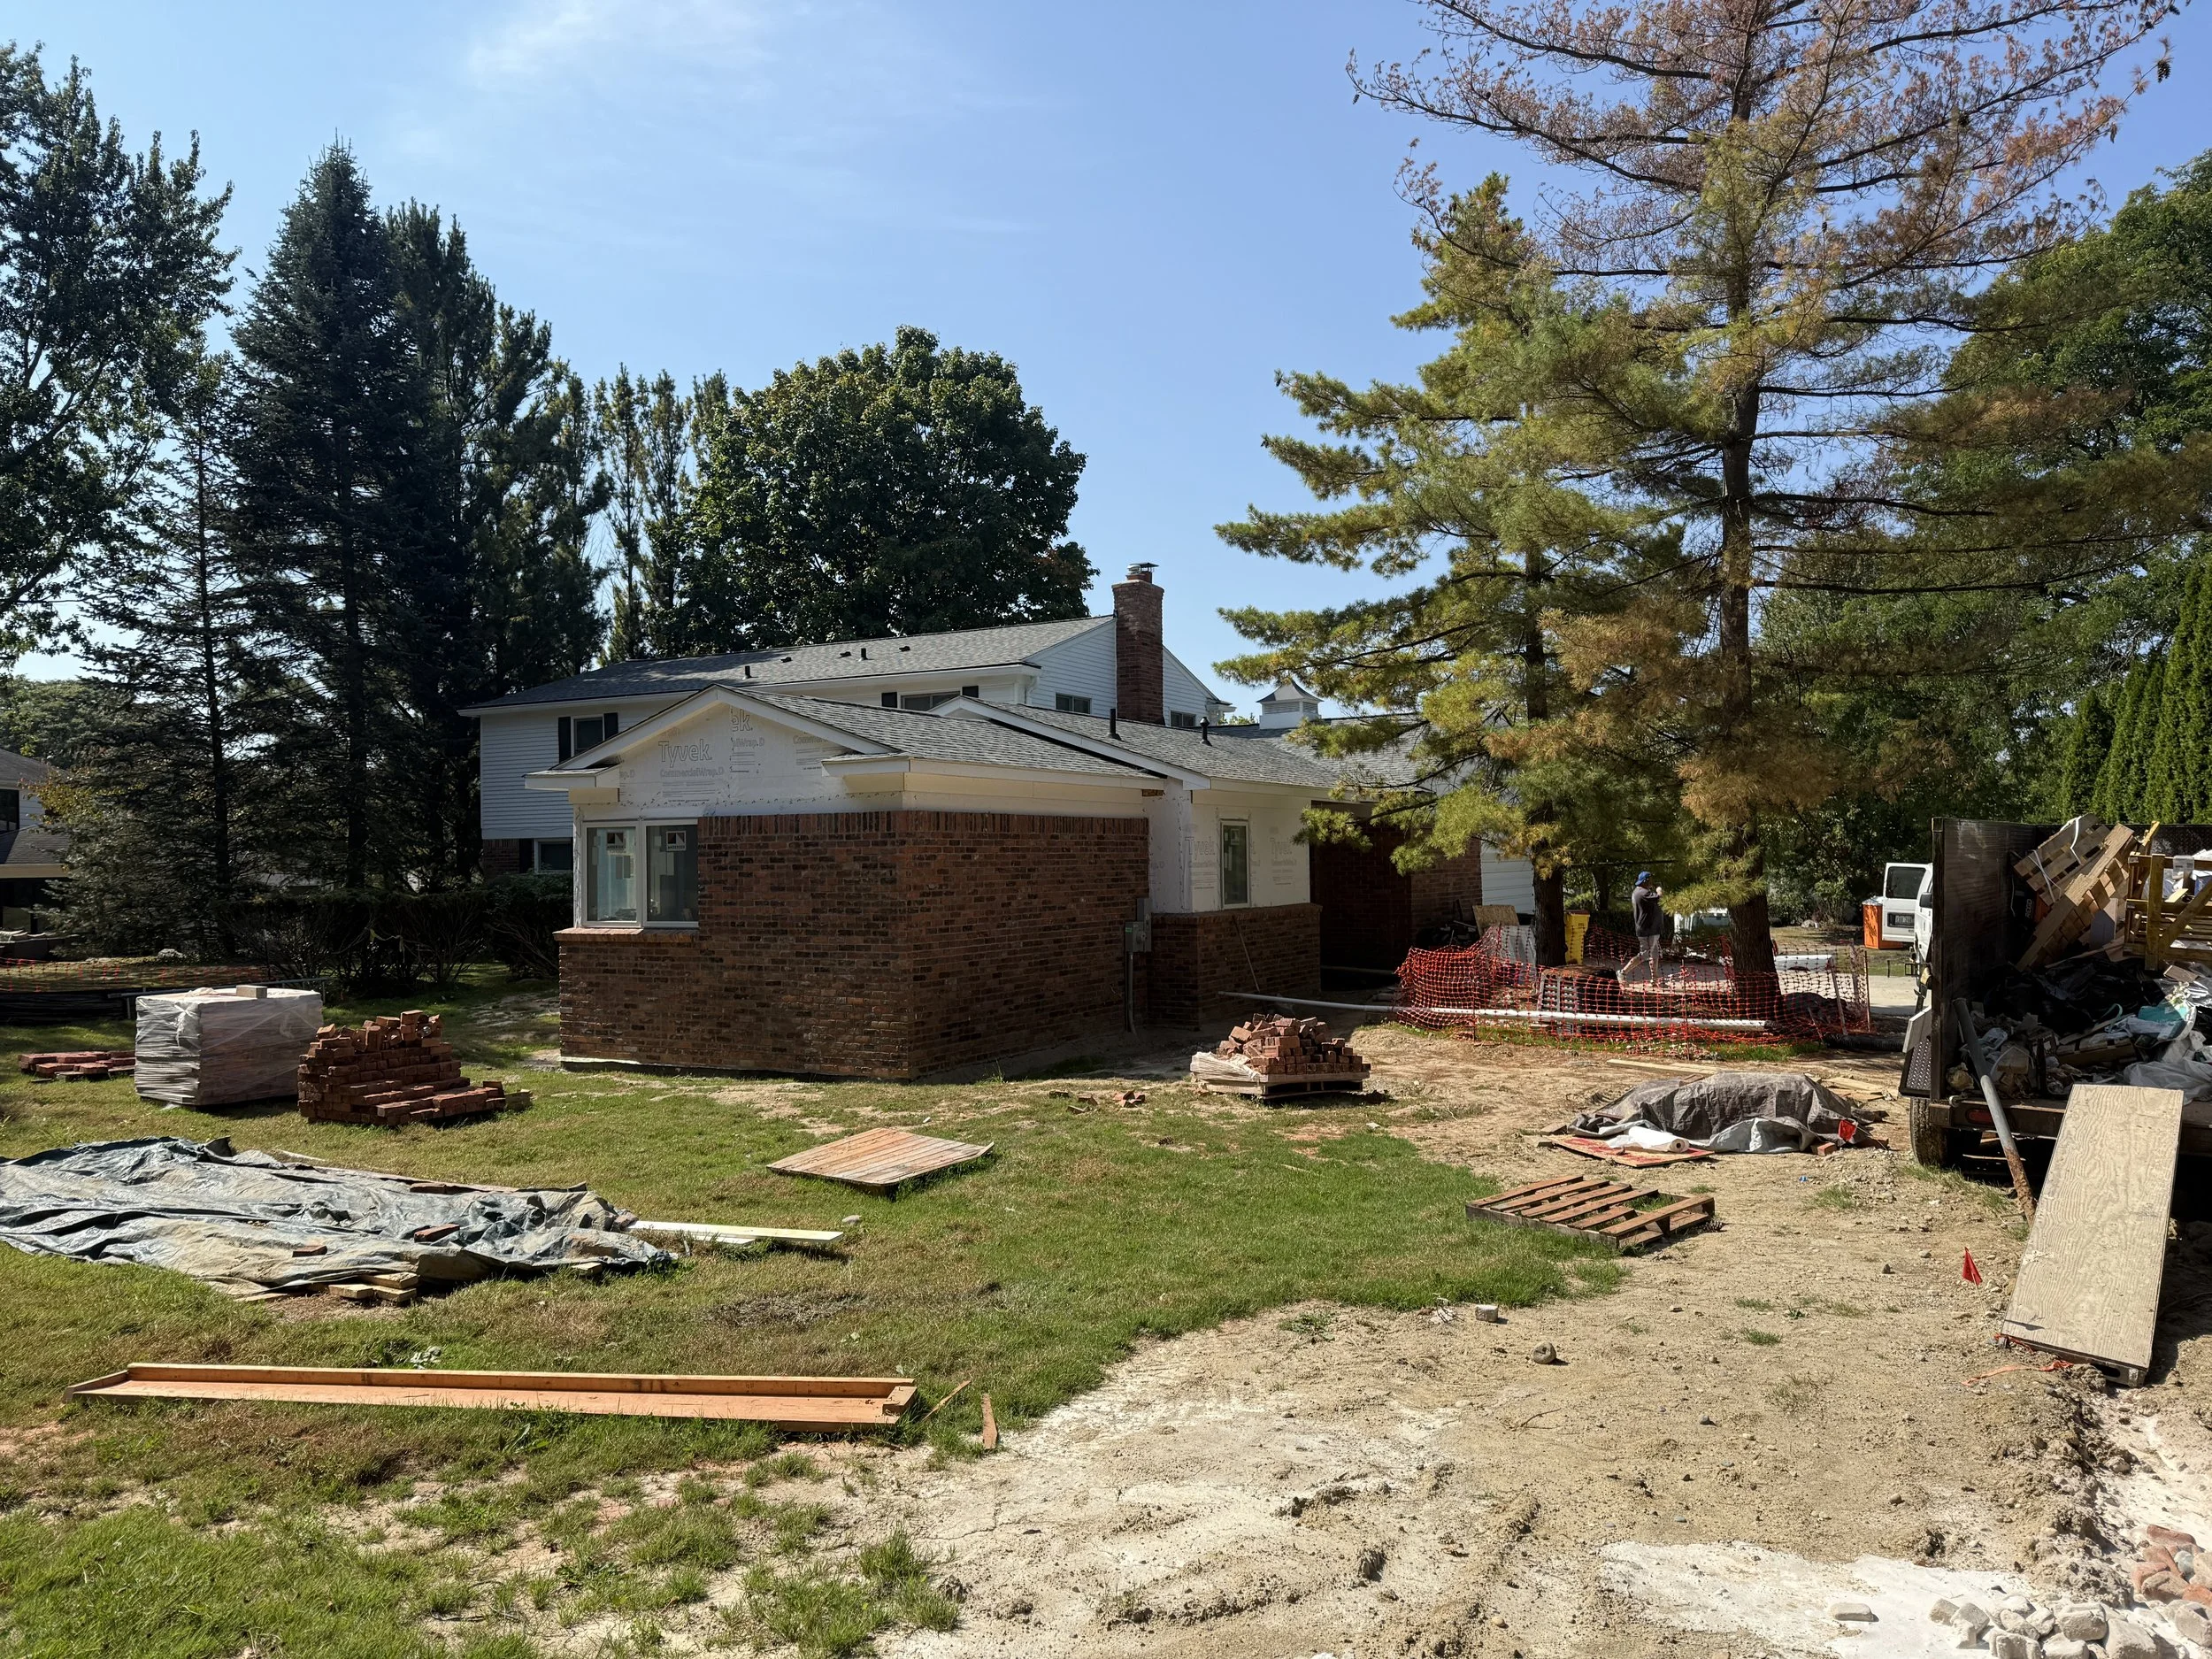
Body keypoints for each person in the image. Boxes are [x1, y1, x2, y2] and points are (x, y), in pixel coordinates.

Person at [1632, 872, 1664, 971]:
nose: (1652, 882)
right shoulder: (1643, 893)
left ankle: (1655, 979)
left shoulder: (1640, 892)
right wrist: (1659, 890)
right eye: (1650, 879)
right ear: (1645, 881)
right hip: (1647, 929)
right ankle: (1623, 972)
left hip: (1649, 929)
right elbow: (1659, 897)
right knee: (1645, 954)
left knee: (1655, 953)